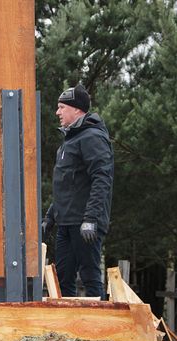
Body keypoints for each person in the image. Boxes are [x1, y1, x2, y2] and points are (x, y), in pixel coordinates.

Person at [42, 84, 113, 298]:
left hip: (85, 223)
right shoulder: (69, 141)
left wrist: (91, 218)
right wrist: (49, 218)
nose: (57, 112)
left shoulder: (92, 137)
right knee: (62, 279)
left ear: (77, 110)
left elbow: (102, 178)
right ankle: (67, 329)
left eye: (62, 107)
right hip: (66, 222)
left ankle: (99, 328)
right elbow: (67, 188)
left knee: (90, 277)